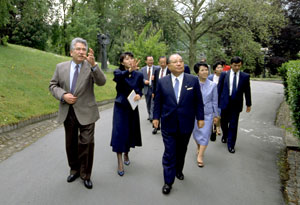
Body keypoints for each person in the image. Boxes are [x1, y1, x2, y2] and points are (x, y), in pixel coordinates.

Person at [49, 37, 106, 189]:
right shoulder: (60, 67)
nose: (82, 52)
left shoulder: (90, 66)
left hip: (87, 111)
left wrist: (94, 65)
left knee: (87, 143)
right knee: (71, 144)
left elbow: (102, 82)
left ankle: (85, 174)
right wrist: (63, 95)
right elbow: (53, 85)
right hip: (68, 112)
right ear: (71, 51)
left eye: (83, 49)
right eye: (78, 49)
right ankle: (74, 169)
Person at [153, 54, 204, 195]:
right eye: (175, 62)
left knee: (181, 150)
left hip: (186, 123)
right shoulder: (163, 82)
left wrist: (201, 118)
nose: (179, 64)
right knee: (169, 153)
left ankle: (178, 169)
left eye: (181, 61)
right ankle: (168, 182)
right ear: (168, 66)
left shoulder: (193, 80)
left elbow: (198, 101)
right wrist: (155, 117)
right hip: (168, 123)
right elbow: (158, 101)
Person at [110, 52, 144, 176]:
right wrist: (128, 70)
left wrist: (139, 95)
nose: (130, 60)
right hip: (120, 106)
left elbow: (140, 90)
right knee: (119, 133)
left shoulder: (139, 75)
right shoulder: (118, 72)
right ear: (122, 62)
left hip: (132, 107)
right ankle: (119, 162)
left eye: (131, 58)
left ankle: (126, 153)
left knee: (129, 132)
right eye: (127, 59)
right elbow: (117, 78)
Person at [218, 56, 252, 153]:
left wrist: (248, 104)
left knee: (233, 124)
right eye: (235, 65)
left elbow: (247, 91)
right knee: (224, 123)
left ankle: (231, 145)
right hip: (225, 102)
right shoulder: (224, 75)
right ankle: (225, 134)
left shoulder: (245, 76)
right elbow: (219, 89)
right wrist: (216, 102)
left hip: (236, 103)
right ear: (231, 65)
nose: (237, 67)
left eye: (239, 65)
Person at [192, 62, 219, 167]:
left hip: (207, 113)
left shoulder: (213, 85)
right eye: (202, 70)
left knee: (205, 134)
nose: (205, 72)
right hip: (194, 113)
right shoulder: (193, 83)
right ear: (197, 72)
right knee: (196, 133)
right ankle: (198, 146)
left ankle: (200, 155)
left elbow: (215, 101)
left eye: (206, 70)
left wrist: (216, 116)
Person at [152, 56, 169, 134]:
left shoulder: (170, 71)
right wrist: (153, 92)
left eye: (164, 62)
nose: (162, 64)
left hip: (167, 95)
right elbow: (154, 83)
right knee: (156, 109)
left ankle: (165, 126)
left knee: (165, 110)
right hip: (158, 94)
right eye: (161, 62)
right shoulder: (157, 71)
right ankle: (156, 126)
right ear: (158, 63)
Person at [208, 61, 223, 140]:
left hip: (220, 99)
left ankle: (217, 127)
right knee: (213, 114)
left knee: (218, 113)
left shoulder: (224, 77)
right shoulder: (210, 77)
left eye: (221, 67)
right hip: (211, 99)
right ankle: (215, 128)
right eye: (218, 67)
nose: (220, 69)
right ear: (214, 69)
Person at [140, 56, 156, 122]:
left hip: (154, 88)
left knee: (153, 103)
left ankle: (152, 116)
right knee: (148, 103)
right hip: (146, 88)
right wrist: (144, 81)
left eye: (151, 60)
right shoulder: (142, 69)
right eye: (149, 60)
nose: (150, 62)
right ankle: (150, 115)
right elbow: (140, 78)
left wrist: (155, 78)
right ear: (146, 61)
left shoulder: (157, 68)